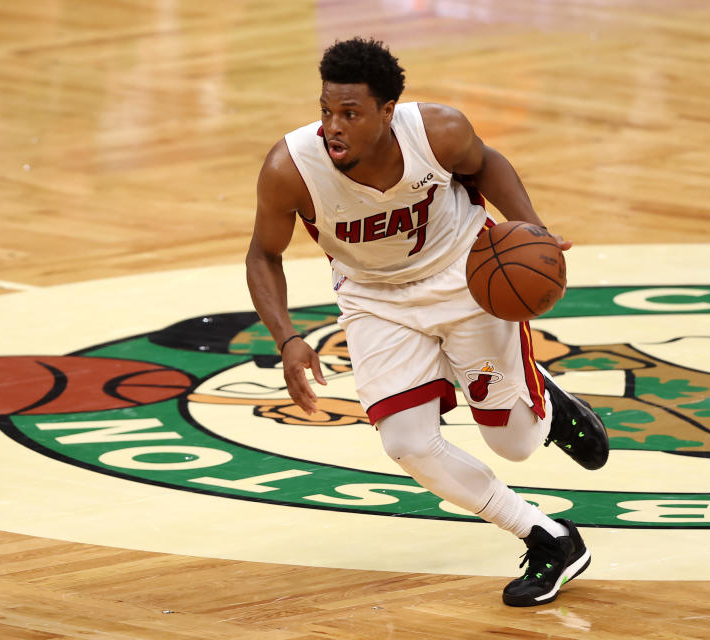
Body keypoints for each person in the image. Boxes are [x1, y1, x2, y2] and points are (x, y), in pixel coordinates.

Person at [245, 37, 609, 607]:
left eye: (350, 113)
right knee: (407, 442)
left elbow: (486, 164)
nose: (332, 127)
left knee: (512, 444)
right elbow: (262, 254)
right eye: (325, 111)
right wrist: (287, 337)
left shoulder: (439, 132)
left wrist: (531, 228)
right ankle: (548, 537)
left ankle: (546, 403)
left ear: (388, 113)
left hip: (466, 276)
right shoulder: (291, 168)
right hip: (375, 299)